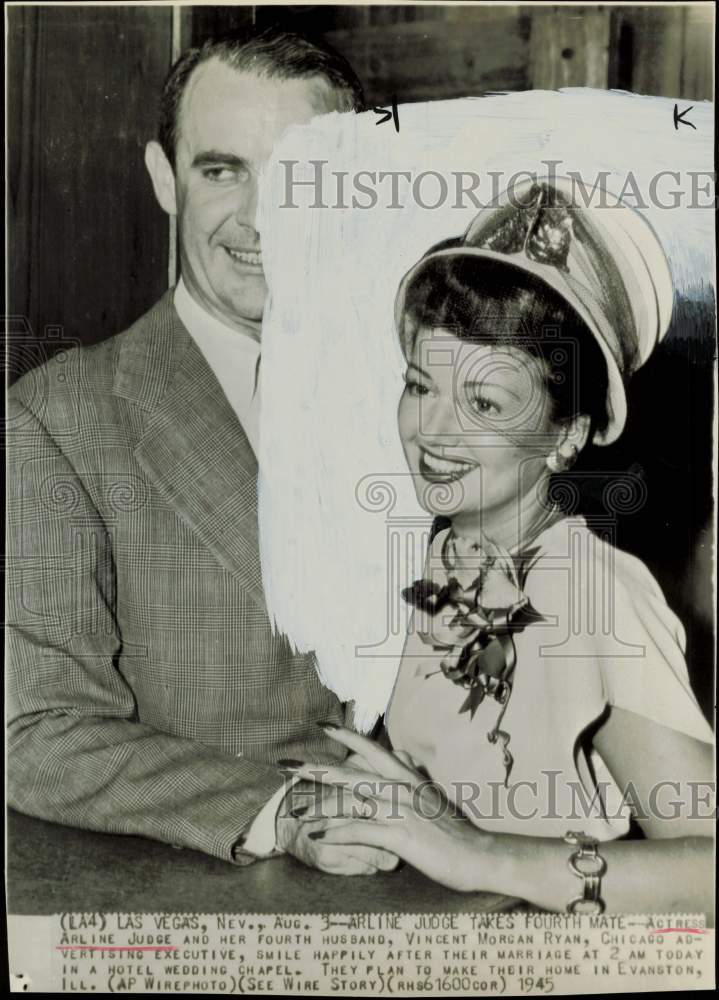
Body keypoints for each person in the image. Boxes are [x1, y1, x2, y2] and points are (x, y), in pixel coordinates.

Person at [7, 26, 397, 877]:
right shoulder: (54, 421)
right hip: (231, 887)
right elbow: (34, 732)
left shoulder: (426, 389)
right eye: (224, 171)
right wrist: (282, 809)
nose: (262, 220)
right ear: (164, 180)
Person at [284, 177, 715, 913]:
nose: (433, 432)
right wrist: (323, 821)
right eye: (422, 387)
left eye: (483, 403)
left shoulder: (593, 592)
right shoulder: (421, 556)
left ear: (567, 434)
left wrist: (478, 855)